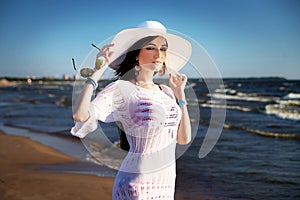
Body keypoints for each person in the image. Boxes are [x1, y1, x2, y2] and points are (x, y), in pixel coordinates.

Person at [71, 20, 192, 199]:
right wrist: (97, 73)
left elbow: (183, 139)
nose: (158, 54)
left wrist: (180, 95)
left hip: (165, 186)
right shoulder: (122, 88)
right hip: (137, 186)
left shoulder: (167, 92)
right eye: (151, 48)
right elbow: (80, 115)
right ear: (136, 54)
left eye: (163, 48)